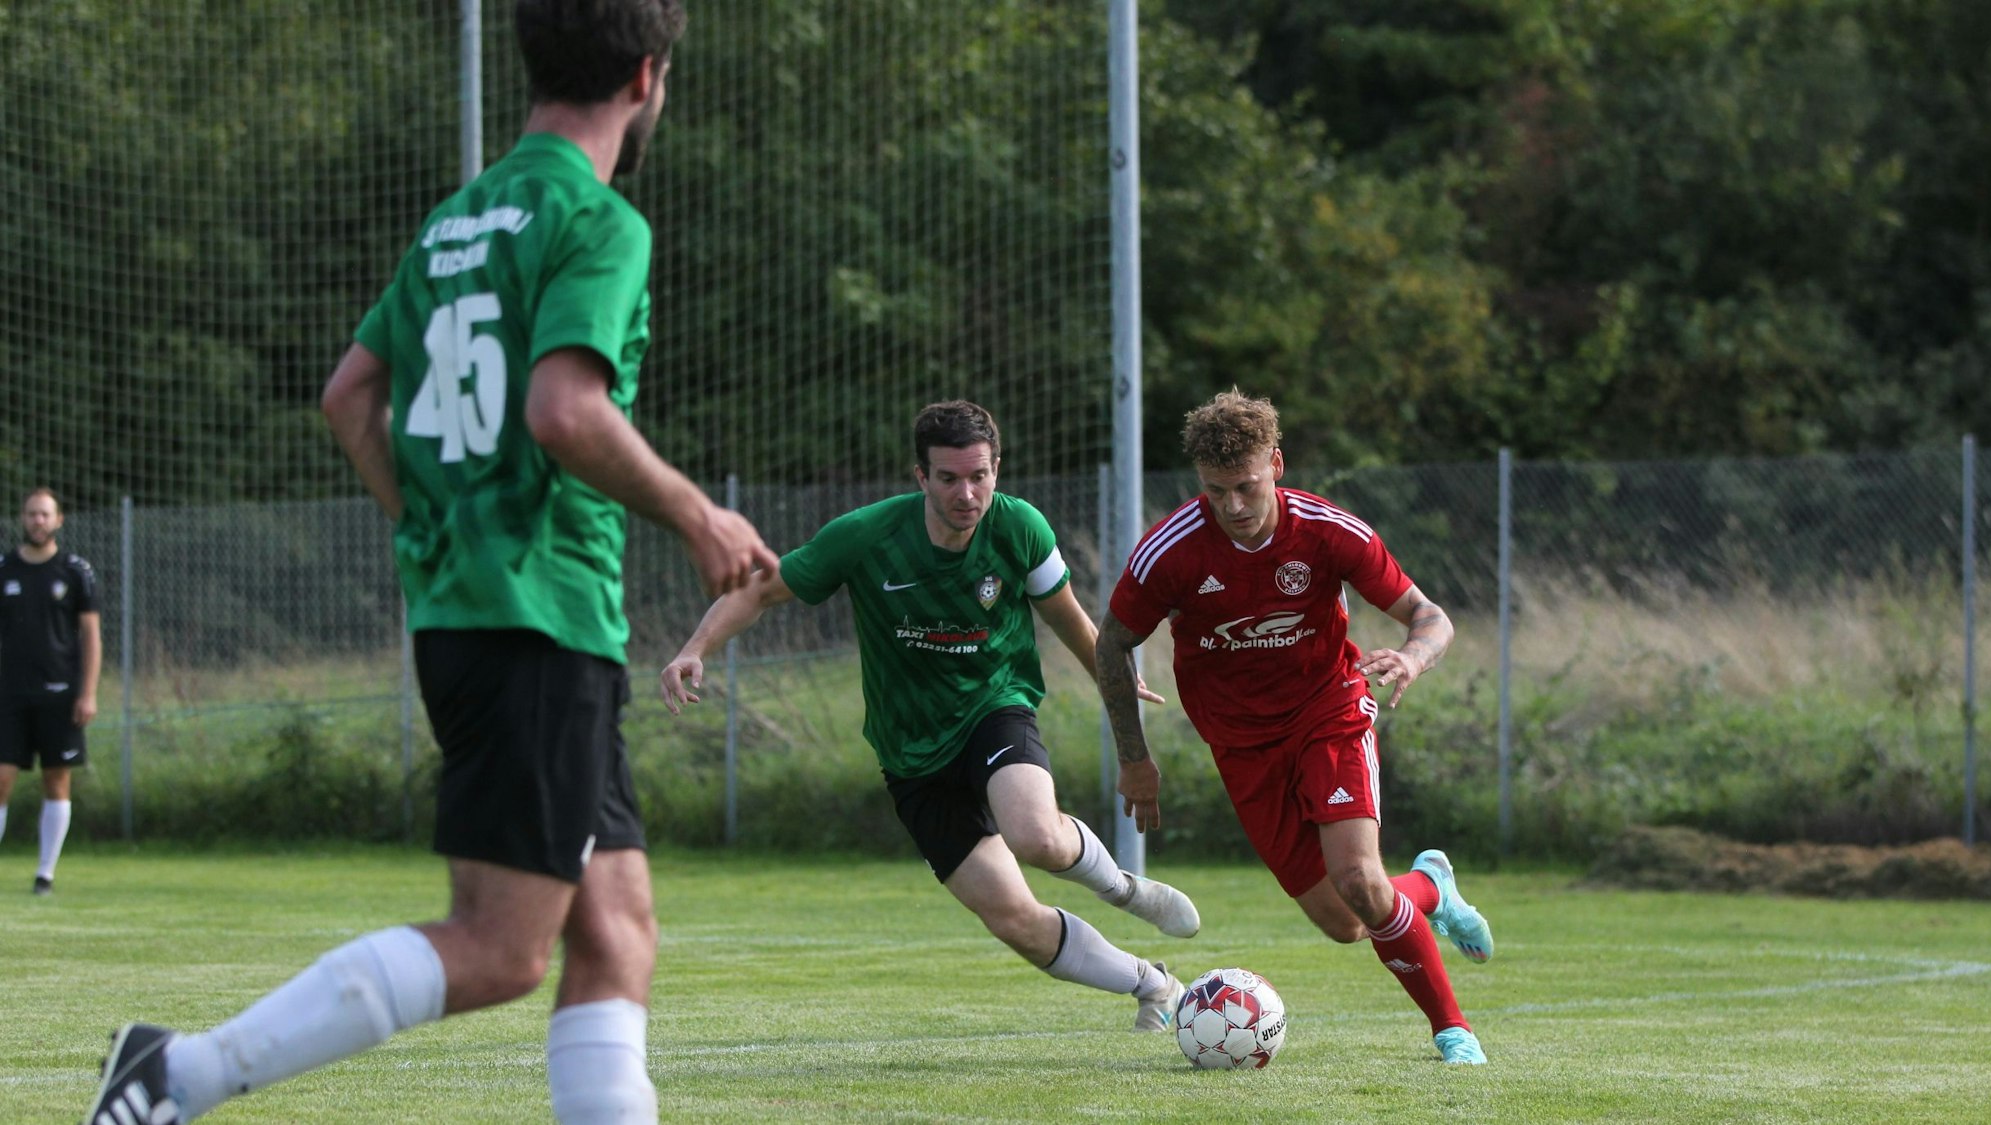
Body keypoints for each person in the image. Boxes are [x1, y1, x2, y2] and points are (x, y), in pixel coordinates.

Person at [84, 3, 779, 1122]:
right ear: (647, 77)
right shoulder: (594, 218)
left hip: (475, 610)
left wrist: (427, 526)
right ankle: (177, 1075)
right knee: (502, 948)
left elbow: (348, 394)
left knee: (615, 926)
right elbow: (564, 409)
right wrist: (697, 515)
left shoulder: (457, 219)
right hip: (538, 614)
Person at [661, 400, 1201, 1034]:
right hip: (910, 753)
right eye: (948, 478)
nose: (966, 493)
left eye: (979, 475)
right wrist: (696, 648)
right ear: (919, 476)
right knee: (1015, 921)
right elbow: (759, 586)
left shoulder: (1020, 527)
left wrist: (1117, 681)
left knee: (1035, 835)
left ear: (997, 468)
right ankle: (1154, 985)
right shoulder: (866, 535)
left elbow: (1070, 620)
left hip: (995, 708)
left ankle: (1126, 892)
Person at [1093, 389, 1495, 1065]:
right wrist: (1134, 758)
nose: (1234, 506)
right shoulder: (1172, 552)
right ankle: (1431, 887)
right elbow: (1112, 644)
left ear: (1275, 464)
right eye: (1216, 491)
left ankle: (1453, 1032)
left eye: (1247, 486)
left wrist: (1414, 657)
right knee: (1345, 921)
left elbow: (1431, 615)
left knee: (1361, 880)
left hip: (1328, 711)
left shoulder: (1330, 532)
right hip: (1242, 743)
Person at [0, 487, 101, 897]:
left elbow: (91, 636)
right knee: (1, 778)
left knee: (56, 781)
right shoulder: (4, 569)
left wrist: (88, 692)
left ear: (58, 520)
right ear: (22, 519)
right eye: (31, 514)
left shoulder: (75, 571)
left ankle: (45, 874)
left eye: (45, 514)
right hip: (8, 693)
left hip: (60, 693)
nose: (37, 521)